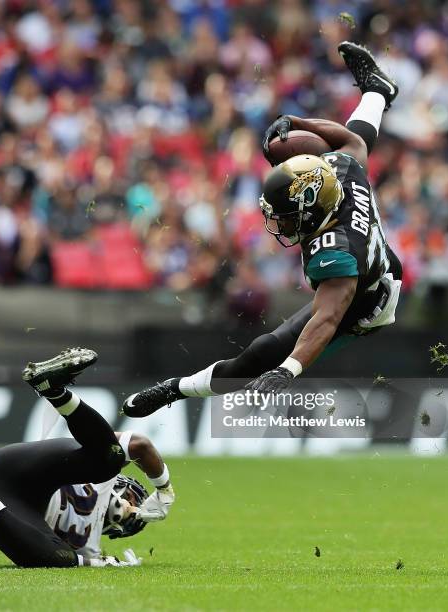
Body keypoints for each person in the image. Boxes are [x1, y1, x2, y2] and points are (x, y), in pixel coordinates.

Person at [122, 41, 403, 416]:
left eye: (286, 215)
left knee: (261, 356)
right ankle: (379, 90)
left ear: (309, 208)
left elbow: (328, 317)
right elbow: (352, 138)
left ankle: (176, 390)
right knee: (284, 145)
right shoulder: (340, 169)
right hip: (354, 264)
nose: (281, 224)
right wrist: (298, 123)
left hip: (368, 301)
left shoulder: (336, 251)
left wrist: (290, 369)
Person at [0, 348, 175, 568]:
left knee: (54, 557)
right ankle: (54, 390)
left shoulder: (88, 548)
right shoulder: (105, 480)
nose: (132, 511)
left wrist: (96, 562)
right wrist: (164, 490)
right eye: (135, 502)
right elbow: (140, 445)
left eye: (132, 521)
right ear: (126, 485)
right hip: (18, 472)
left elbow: (57, 555)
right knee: (110, 460)